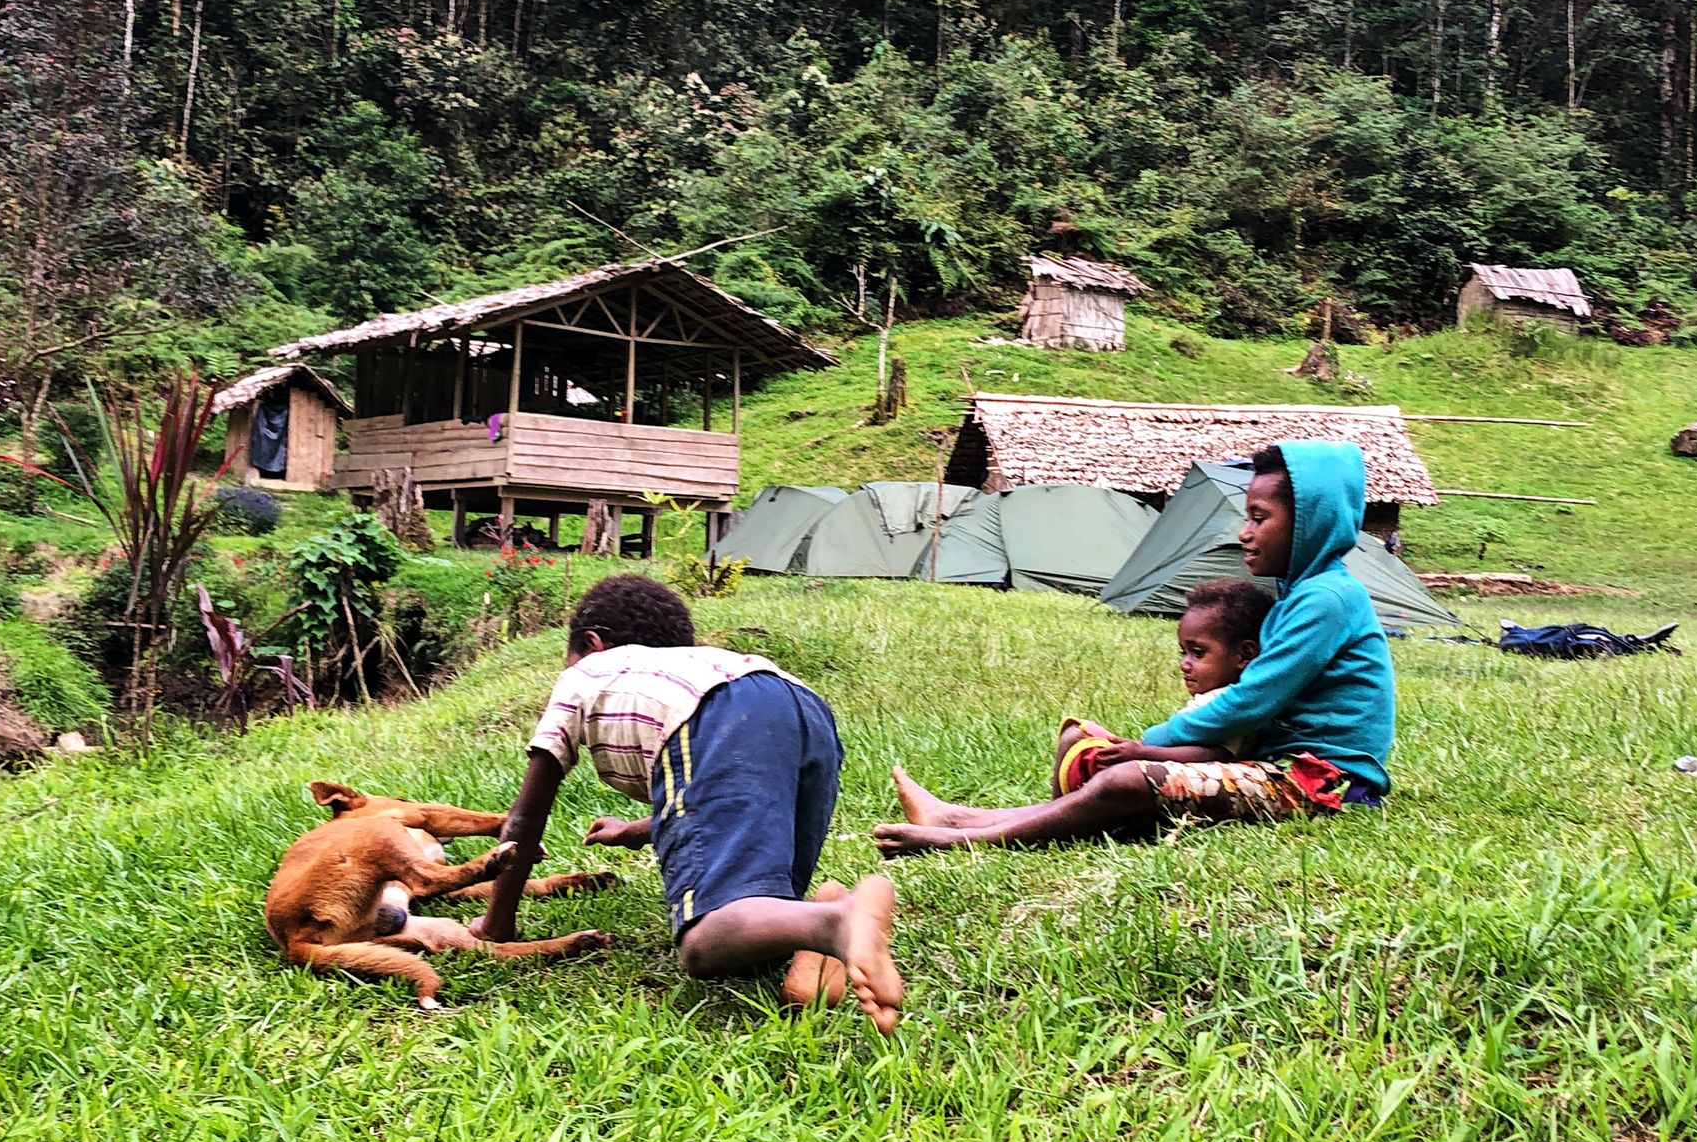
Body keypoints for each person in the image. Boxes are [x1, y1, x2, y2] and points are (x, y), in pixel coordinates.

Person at [873, 440, 1396, 855]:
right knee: (1084, 744)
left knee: (1126, 779)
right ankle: (962, 817)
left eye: (1259, 518)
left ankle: (965, 836)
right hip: (1272, 765)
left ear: (1310, 523)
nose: (1243, 533)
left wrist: (1152, 741)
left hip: (1323, 784)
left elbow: (1253, 700)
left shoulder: (1326, 599)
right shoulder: (1301, 594)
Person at [474, 574, 904, 1033]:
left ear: (592, 643)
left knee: (703, 943)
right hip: (802, 708)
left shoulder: (585, 674)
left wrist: (495, 923)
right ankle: (820, 933)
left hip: (715, 716)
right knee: (751, 928)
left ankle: (835, 921)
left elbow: (526, 816)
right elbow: (723, 801)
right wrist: (635, 830)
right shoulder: (694, 664)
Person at [1050, 575, 1271, 796]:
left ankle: (1062, 809)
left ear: (1245, 655)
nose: (1184, 664)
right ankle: (1059, 804)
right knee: (1075, 734)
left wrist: (1144, 753)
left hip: (1178, 776)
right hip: (1155, 761)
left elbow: (1216, 755)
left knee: (1083, 744)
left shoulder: (1235, 704)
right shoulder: (1214, 697)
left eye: (1197, 653)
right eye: (1183, 652)